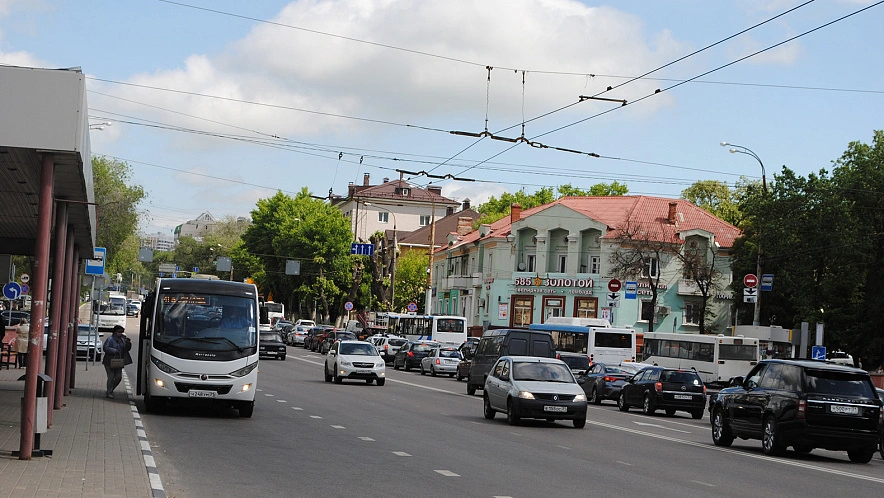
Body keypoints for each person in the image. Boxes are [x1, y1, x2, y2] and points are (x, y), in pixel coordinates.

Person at [102, 325, 132, 399]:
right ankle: (109, 392)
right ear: (115, 332)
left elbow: (127, 349)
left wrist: (128, 343)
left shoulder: (122, 339)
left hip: (119, 361)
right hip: (109, 361)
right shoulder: (110, 339)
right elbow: (105, 348)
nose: (120, 333)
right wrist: (114, 351)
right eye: (119, 332)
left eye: (121, 332)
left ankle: (111, 389)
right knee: (111, 377)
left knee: (118, 377)